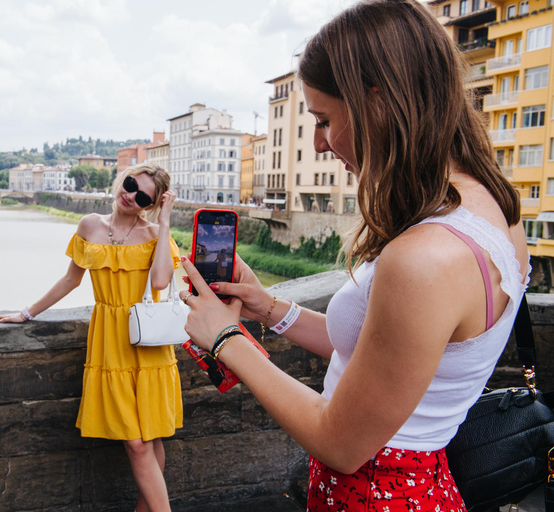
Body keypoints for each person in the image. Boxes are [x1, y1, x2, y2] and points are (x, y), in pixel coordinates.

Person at [179, 0, 530, 510]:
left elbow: (342, 443)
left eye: (323, 119)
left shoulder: (425, 258)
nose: (320, 143)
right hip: (414, 484)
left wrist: (226, 339)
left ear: (378, 101)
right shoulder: (493, 209)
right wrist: (270, 309)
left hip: (377, 491)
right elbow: (386, 356)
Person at [0, 163, 182, 512]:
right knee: (140, 442)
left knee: (148, 439)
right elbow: (70, 280)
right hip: (111, 340)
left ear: (150, 205)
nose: (130, 196)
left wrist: (165, 221)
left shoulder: (155, 232)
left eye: (143, 196)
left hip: (148, 339)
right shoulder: (90, 225)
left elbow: (160, 283)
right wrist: (28, 312)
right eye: (130, 184)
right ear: (121, 180)